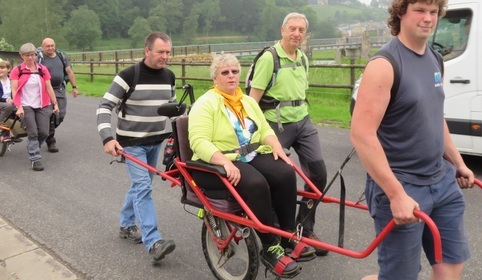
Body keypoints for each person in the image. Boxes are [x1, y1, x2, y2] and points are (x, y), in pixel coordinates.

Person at [350, 0, 475, 280]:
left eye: (434, 12)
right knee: (400, 277)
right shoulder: (384, 65)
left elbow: (435, 117)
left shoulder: (435, 58)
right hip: (402, 184)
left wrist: (457, 162)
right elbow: (362, 134)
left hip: (442, 182)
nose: (428, 18)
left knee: (451, 267)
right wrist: (395, 194)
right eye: (420, 10)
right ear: (401, 13)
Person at [189, 53, 316, 278]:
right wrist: (225, 162)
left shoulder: (246, 101)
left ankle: (287, 238)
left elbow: (265, 128)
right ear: (215, 78)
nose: (231, 76)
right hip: (219, 160)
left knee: (285, 172)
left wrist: (277, 147)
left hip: (250, 154)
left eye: (235, 72)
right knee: (257, 184)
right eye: (225, 73)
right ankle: (269, 247)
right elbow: (199, 142)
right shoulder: (206, 103)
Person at [248, 12, 329, 255]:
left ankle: (304, 227)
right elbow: (253, 101)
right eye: (292, 29)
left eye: (301, 30)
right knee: (279, 177)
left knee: (318, 175)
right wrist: (261, 133)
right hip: (274, 123)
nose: (296, 34)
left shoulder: (303, 58)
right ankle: (278, 234)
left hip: (302, 122)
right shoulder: (269, 58)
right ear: (282, 30)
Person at [96, 32, 177, 264]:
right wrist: (107, 138)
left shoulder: (169, 76)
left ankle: (126, 224)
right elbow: (104, 107)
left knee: (142, 184)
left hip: (156, 141)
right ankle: (154, 242)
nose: (165, 56)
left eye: (168, 52)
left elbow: (171, 108)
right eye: (161, 52)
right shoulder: (128, 76)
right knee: (143, 187)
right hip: (131, 144)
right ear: (147, 50)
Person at [9, 43, 59, 171]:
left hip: (42, 104)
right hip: (25, 105)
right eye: (27, 55)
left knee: (44, 132)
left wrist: (55, 103)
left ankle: (34, 147)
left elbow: (48, 87)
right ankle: (35, 158)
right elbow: (14, 89)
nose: (30, 58)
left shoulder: (42, 69)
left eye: (32, 55)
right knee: (33, 133)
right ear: (21, 56)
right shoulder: (17, 70)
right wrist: (18, 106)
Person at [36, 38, 79, 153]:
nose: (50, 48)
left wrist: (74, 87)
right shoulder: (39, 58)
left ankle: (45, 131)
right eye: (47, 46)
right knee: (50, 114)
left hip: (59, 89)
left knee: (60, 115)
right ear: (43, 46)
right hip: (45, 90)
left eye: (52, 45)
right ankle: (50, 140)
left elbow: (69, 71)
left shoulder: (61, 56)